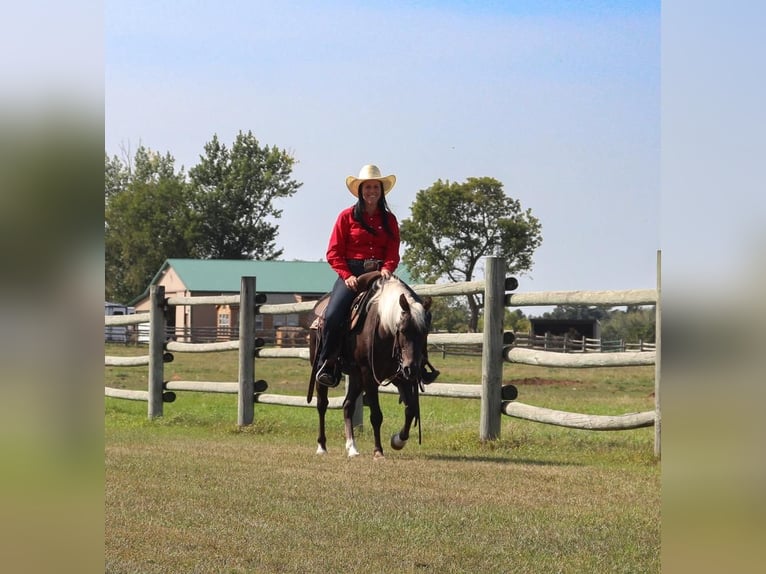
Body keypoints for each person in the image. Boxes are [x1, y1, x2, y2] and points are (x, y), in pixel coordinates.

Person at [315, 164, 400, 387]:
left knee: (411, 309)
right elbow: (333, 252)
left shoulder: (389, 220)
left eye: (376, 187)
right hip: (351, 274)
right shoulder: (346, 217)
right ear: (360, 190)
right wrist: (346, 274)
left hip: (381, 273)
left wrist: (387, 268)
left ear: (381, 191)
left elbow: (393, 251)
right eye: (368, 187)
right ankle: (329, 363)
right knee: (333, 314)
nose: (372, 191)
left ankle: (412, 363)